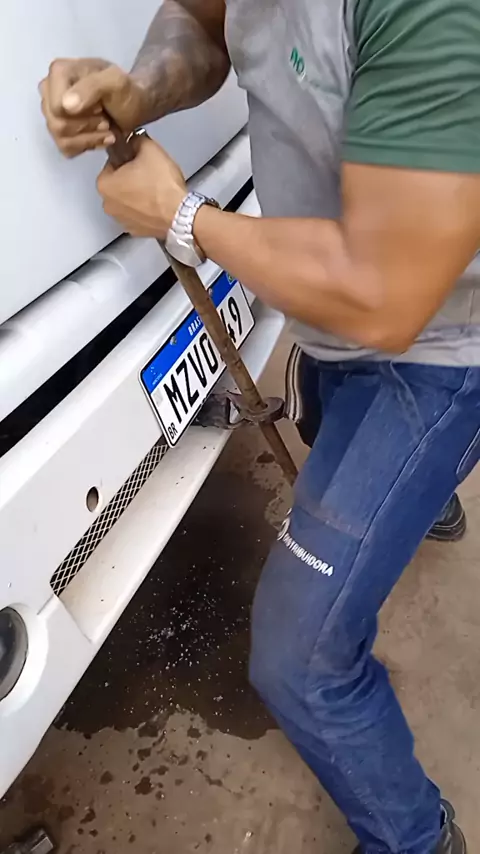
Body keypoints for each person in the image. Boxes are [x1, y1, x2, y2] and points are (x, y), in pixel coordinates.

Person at [41, 2, 480, 851]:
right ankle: (425, 498)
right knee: (325, 417)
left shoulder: (433, 15)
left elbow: (384, 298)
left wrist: (183, 217)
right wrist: (138, 89)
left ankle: (418, 838)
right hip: (336, 318)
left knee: (299, 657)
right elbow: (202, 18)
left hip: (436, 347)